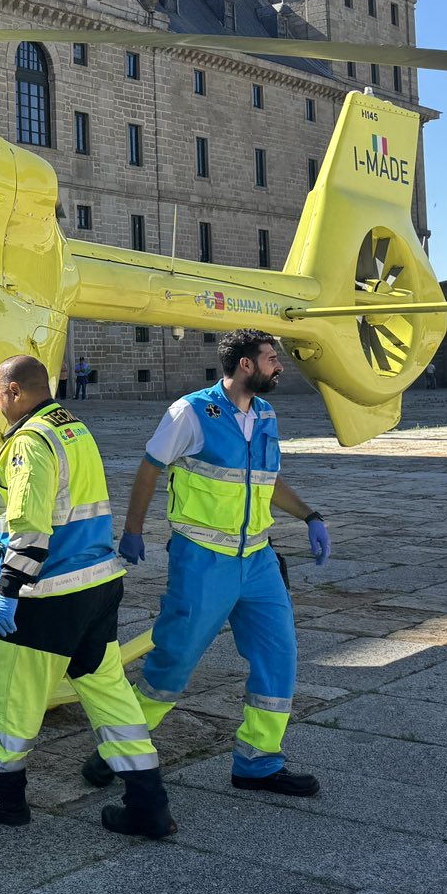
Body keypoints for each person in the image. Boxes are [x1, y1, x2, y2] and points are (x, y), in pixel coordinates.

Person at [0, 355, 174, 836]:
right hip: (98, 585)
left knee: (11, 696)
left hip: (49, 593)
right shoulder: (70, 427)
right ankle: (148, 803)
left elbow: (30, 529)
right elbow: (62, 494)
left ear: (16, 393)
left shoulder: (28, 441)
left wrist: (7, 590)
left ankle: (1, 795)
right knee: (110, 695)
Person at [93, 329, 329, 796]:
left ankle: (258, 763)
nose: (278, 365)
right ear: (245, 365)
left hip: (258, 562)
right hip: (203, 560)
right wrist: (133, 531)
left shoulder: (265, 413)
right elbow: (149, 469)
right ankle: (118, 749)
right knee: (173, 663)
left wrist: (310, 515)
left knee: (278, 657)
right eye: (269, 358)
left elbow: (268, 479)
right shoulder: (191, 412)